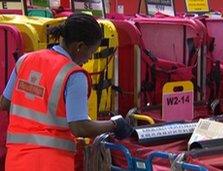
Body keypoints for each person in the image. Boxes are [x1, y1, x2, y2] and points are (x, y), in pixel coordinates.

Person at [0, 13, 133, 171]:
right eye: (91, 52)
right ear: (79, 46)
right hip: (51, 163)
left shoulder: (25, 60)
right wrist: (114, 125)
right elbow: (79, 127)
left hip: (16, 161)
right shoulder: (74, 75)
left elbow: (5, 103)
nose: (89, 58)